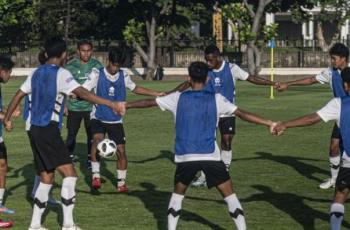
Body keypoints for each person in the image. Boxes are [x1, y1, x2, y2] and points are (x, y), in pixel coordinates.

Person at [126, 61, 277, 230]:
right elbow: (242, 114)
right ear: (207, 79)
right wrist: (268, 122)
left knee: (177, 196)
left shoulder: (177, 97)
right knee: (230, 196)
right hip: (210, 156)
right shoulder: (217, 99)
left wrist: (125, 105)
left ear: (189, 78)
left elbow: (149, 102)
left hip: (185, 157)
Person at [3, 36, 124, 230]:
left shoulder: (35, 72)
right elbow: (84, 93)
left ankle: (34, 225)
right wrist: (111, 103)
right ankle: (68, 225)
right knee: (70, 175)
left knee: (47, 177)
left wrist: (8, 118)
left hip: (34, 129)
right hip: (48, 130)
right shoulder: (61, 73)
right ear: (64, 54)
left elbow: (18, 95)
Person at [170, 45, 278, 187]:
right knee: (208, 143)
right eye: (206, 60)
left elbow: (251, 78)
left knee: (226, 141)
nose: (208, 63)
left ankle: (223, 171)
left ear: (217, 57)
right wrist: (170, 94)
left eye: (210, 60)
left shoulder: (232, 68)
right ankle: (204, 175)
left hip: (227, 111)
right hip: (209, 112)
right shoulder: (205, 71)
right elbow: (188, 83)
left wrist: (273, 83)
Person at [272, 67, 350, 230]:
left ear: (345, 85)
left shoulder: (339, 103)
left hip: (349, 162)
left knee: (340, 194)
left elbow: (311, 119)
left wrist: (285, 124)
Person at [82, 48, 164, 192]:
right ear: (109, 61)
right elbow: (83, 90)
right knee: (96, 140)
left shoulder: (123, 76)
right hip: (98, 116)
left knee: (121, 150)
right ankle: (95, 176)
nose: (116, 68)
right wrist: (75, 94)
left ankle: (121, 184)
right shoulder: (97, 74)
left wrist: (156, 93)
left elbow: (135, 88)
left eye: (119, 65)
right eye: (114, 65)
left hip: (116, 120)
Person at [277, 43, 349, 189]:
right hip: (341, 114)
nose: (332, 61)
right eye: (331, 59)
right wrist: (288, 84)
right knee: (334, 146)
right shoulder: (330, 72)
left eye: (334, 58)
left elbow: (311, 119)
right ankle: (335, 179)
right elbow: (311, 80)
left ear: (343, 58)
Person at [25, 50, 60, 205]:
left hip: (33, 122)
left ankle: (37, 192)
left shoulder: (35, 73)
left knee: (42, 161)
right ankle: (41, 195)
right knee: (49, 163)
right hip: (42, 123)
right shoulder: (46, 75)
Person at [65, 40, 103, 168]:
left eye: (88, 51)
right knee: (71, 134)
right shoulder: (70, 66)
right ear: (78, 51)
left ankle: (90, 158)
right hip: (73, 106)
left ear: (91, 51)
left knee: (92, 135)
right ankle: (69, 157)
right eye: (83, 51)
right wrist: (64, 105)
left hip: (91, 107)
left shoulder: (97, 66)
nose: (86, 53)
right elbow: (63, 86)